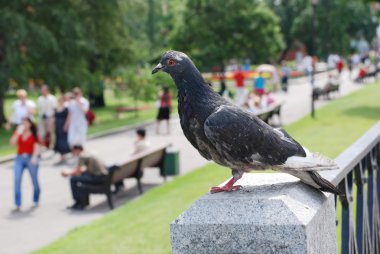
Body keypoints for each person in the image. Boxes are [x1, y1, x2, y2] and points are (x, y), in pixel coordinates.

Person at [62, 145, 108, 210]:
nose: (73, 153)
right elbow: (85, 169)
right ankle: (82, 202)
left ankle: (78, 202)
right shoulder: (89, 153)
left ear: (77, 150)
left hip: (98, 178)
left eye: (73, 151)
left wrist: (68, 173)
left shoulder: (83, 155)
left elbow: (78, 170)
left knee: (73, 179)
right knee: (80, 177)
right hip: (104, 176)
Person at [9, 117, 40, 211]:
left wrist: (34, 157)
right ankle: (18, 203)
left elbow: (36, 146)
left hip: (30, 157)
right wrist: (17, 133)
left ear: (30, 124)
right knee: (17, 180)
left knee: (34, 180)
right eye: (22, 123)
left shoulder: (34, 133)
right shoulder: (18, 132)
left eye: (25, 122)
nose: (24, 124)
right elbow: (12, 143)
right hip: (20, 158)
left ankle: (36, 200)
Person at [113, 128, 150, 194]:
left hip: (136, 169)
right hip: (140, 166)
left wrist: (135, 143)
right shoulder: (147, 142)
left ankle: (119, 186)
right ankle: (120, 185)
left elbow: (132, 155)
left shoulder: (139, 144)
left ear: (139, 135)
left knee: (117, 170)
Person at [54, 95, 71, 164]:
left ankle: (64, 155)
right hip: (57, 126)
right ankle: (61, 155)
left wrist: (66, 125)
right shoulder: (56, 108)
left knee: (63, 140)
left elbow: (68, 117)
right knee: (58, 140)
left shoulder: (66, 108)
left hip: (63, 125)